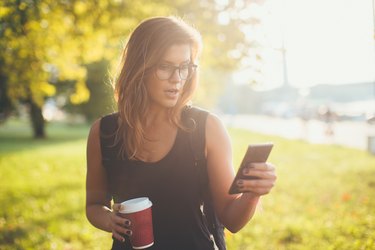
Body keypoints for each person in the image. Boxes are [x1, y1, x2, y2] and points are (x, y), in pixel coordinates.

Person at [86, 16, 277, 250]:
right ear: (139, 67)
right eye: (165, 67)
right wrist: (108, 219)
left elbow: (232, 220)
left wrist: (252, 194)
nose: (177, 79)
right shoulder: (102, 133)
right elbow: (94, 205)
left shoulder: (207, 128)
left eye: (185, 67)